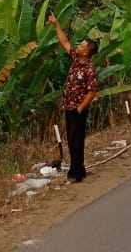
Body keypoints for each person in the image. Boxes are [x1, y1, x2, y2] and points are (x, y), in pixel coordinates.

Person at [48, 10, 99, 184]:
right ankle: (80, 169)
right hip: (69, 107)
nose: (78, 46)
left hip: (78, 109)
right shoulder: (76, 59)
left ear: (86, 52)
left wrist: (80, 108)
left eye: (82, 45)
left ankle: (75, 173)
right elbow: (65, 42)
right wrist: (56, 25)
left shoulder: (90, 69)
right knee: (72, 139)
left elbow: (92, 91)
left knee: (76, 140)